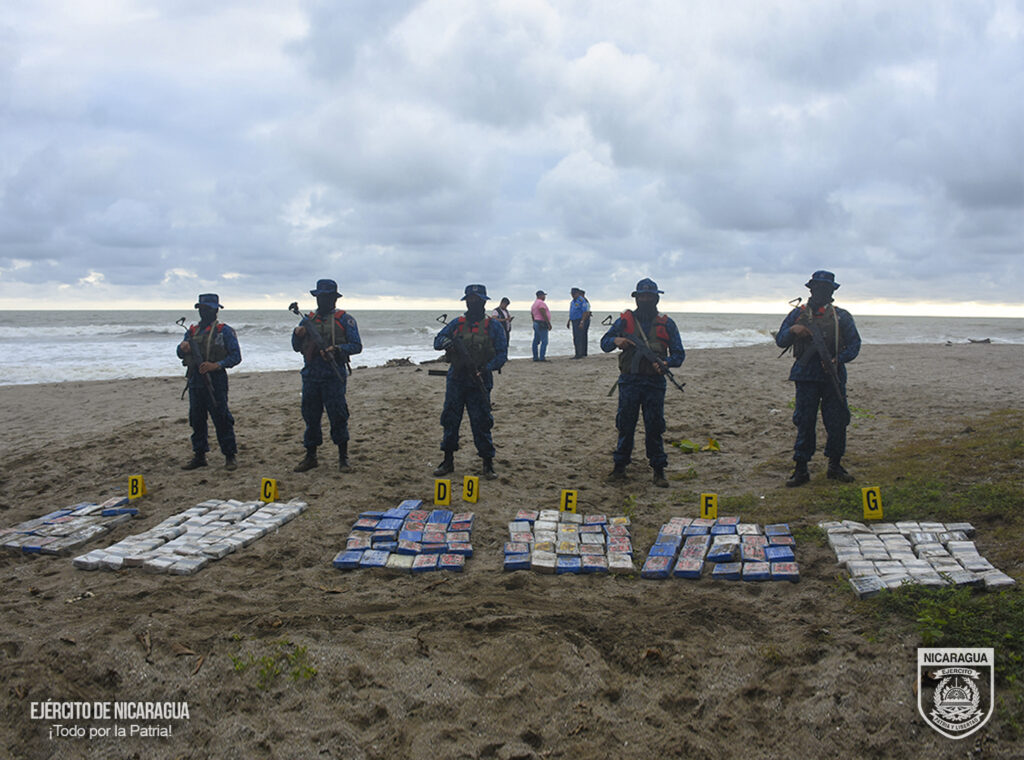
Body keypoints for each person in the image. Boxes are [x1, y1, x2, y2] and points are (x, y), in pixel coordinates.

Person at [775, 270, 861, 486]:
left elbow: (854, 345)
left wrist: (837, 360)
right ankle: (801, 468)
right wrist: (794, 330)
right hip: (806, 376)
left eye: (825, 288)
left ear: (832, 292)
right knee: (804, 421)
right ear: (811, 289)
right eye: (817, 288)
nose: (820, 292)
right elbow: (781, 340)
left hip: (833, 376)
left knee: (837, 421)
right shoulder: (797, 315)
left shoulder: (841, 317)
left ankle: (835, 465)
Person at [601, 278, 685, 488]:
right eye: (642, 296)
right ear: (636, 298)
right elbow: (604, 343)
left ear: (656, 298)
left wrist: (666, 363)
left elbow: (679, 355)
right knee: (625, 425)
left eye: (649, 296)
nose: (646, 299)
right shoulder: (624, 321)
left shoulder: (667, 323)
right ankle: (619, 467)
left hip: (654, 383)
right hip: (629, 381)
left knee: (655, 426)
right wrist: (616, 340)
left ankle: (658, 470)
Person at [433, 284, 508, 480]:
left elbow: (502, 354)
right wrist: (447, 343)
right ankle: (447, 460)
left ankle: (487, 463)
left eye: (477, 300)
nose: (473, 303)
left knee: (482, 422)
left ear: (484, 302)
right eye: (470, 300)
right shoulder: (456, 323)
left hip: (480, 380)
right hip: (456, 379)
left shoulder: (494, 326)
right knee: (450, 420)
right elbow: (438, 341)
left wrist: (487, 368)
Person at [291, 279, 362, 473]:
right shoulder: (307, 320)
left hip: (333, 375)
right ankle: (311, 456)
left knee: (338, 416)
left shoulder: (345, 319)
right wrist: (297, 334)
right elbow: (296, 347)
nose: (323, 300)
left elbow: (356, 345)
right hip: (311, 375)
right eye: (320, 297)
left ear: (334, 298)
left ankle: (343, 457)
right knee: (310, 417)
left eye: (327, 297)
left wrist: (337, 349)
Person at [177, 294, 241, 471]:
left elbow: (236, 357)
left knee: (221, 418)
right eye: (203, 309)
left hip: (216, 380)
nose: (205, 312)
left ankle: (230, 455)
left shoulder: (224, 331)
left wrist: (216, 365)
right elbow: (180, 352)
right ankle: (199, 455)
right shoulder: (192, 331)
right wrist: (182, 348)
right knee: (196, 419)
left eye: (208, 309)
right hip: (195, 380)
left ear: (215, 310)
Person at [567, 287, 591, 358]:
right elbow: (572, 312)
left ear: (578, 293)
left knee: (579, 337)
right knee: (576, 337)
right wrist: (569, 321)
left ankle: (579, 354)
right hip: (574, 321)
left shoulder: (582, 300)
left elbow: (585, 312)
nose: (573, 295)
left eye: (574, 294)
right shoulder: (572, 302)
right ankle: (578, 353)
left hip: (579, 320)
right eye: (572, 294)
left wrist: (582, 322)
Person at [530, 290, 552, 361]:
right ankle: (542, 357)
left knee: (536, 341)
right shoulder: (541, 303)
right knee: (544, 341)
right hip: (541, 323)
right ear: (540, 296)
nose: (544, 297)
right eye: (544, 295)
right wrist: (548, 323)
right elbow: (543, 312)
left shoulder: (534, 304)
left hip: (536, 322)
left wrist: (534, 322)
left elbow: (532, 314)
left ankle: (535, 357)